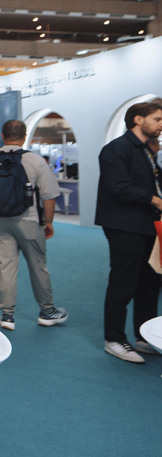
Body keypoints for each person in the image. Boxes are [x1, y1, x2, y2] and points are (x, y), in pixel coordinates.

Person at [0, 120, 67, 331]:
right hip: (29, 220)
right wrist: (49, 222)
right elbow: (48, 197)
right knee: (38, 266)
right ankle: (47, 312)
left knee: (5, 267)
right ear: (24, 137)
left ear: (2, 136)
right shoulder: (35, 160)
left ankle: (7, 315)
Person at [96, 102, 162, 363]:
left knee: (150, 283)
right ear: (138, 120)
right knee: (123, 283)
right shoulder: (116, 149)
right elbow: (119, 187)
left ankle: (144, 337)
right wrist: (156, 201)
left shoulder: (147, 150)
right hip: (124, 226)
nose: (161, 125)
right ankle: (114, 339)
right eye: (157, 119)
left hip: (148, 225)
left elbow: (152, 183)